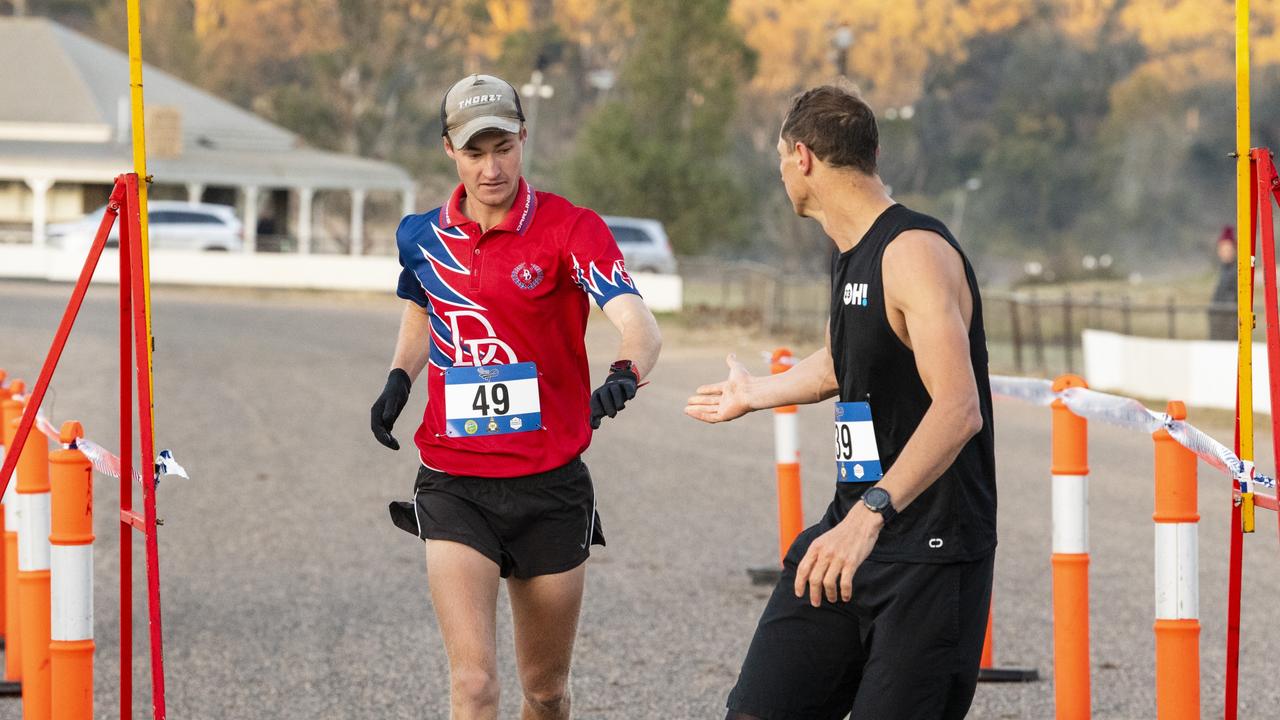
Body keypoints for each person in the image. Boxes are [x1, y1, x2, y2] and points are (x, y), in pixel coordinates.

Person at [686, 85, 997, 719]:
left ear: (801, 158)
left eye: (778, 157)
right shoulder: (850, 251)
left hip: (928, 552)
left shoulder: (914, 252)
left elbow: (960, 407)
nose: (780, 171)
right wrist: (757, 394)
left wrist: (872, 513)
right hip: (849, 534)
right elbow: (845, 360)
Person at [371, 73, 662, 720]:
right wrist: (399, 378)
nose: (491, 167)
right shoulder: (422, 236)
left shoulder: (570, 229)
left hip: (550, 488)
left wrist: (624, 373)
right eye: (475, 152)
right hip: (454, 481)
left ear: (524, 138)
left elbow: (639, 321)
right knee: (473, 686)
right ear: (450, 149)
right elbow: (423, 309)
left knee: (546, 692)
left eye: (503, 147)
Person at [1209, 225, 1237, 341]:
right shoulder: (1222, 271)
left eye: (1228, 249)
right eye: (1223, 249)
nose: (1226, 253)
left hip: (1230, 322)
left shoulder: (1235, 271)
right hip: (1218, 322)